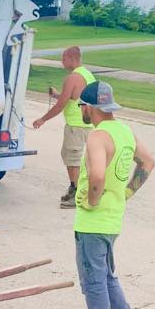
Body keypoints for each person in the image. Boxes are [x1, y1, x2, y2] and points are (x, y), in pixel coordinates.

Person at [72, 81, 155, 309]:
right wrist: (127, 192)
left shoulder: (97, 137)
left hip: (93, 222)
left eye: (81, 105)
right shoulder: (124, 132)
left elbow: (97, 175)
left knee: (93, 279)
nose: (80, 110)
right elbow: (148, 163)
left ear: (91, 107)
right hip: (113, 218)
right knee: (106, 274)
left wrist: (93, 200)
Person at [32, 46, 96, 208]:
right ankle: (76, 189)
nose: (62, 62)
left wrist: (43, 119)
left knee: (73, 159)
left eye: (63, 59)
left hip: (76, 126)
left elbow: (61, 105)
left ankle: (77, 195)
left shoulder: (72, 78)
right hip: (88, 125)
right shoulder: (87, 75)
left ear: (71, 58)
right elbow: (72, 98)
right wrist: (55, 94)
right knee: (76, 158)